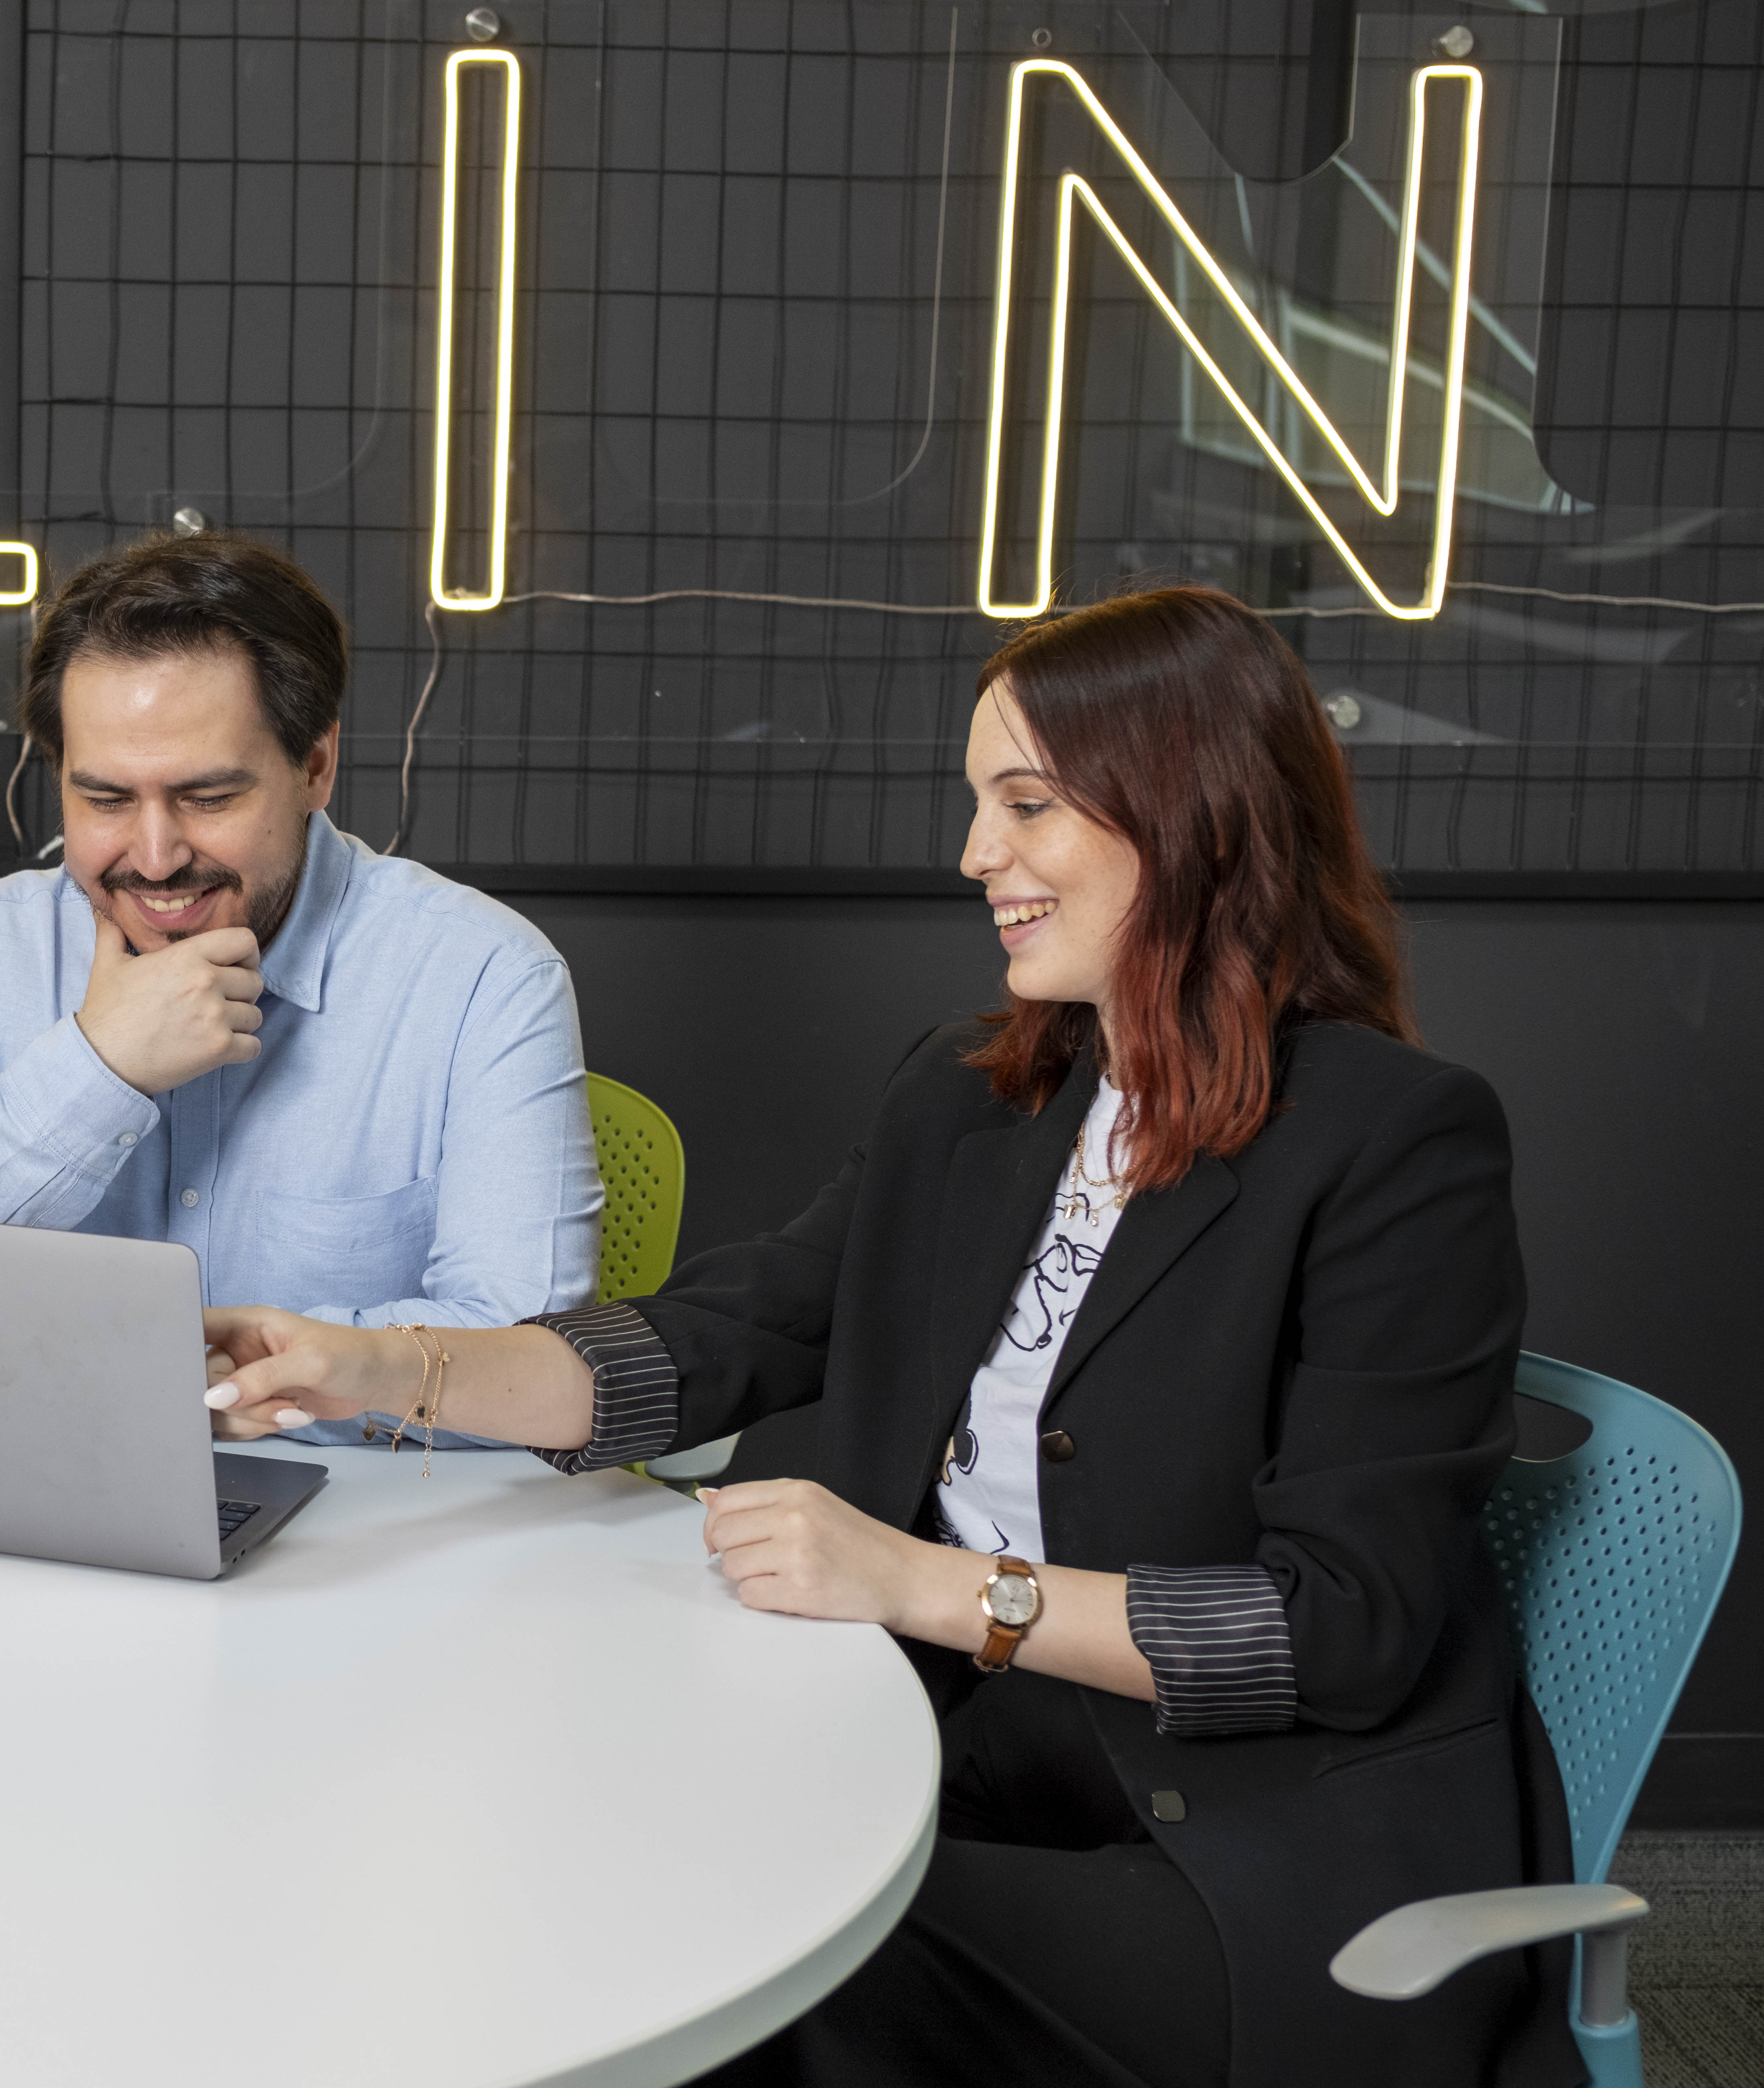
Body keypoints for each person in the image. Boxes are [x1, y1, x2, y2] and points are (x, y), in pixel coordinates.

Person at [201, 586, 1577, 2088]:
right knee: (548, 1828)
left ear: (1193, 819)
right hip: (971, 1757)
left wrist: (916, 1583)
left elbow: (1339, 1628)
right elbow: (719, 1337)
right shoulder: (970, 1096)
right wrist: (375, 1367)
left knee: (731, 1941)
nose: (976, 854)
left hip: (1250, 1858)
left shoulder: (1395, 1143)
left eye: (1026, 805)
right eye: (979, 804)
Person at [0, 531, 602, 1442]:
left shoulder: (485, 977)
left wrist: (215, 1383)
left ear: (315, 766)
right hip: (34, 1489)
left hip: (373, 1516)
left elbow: (529, 1367)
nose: (154, 858)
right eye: (106, 800)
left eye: (208, 798)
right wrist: (98, 1069)